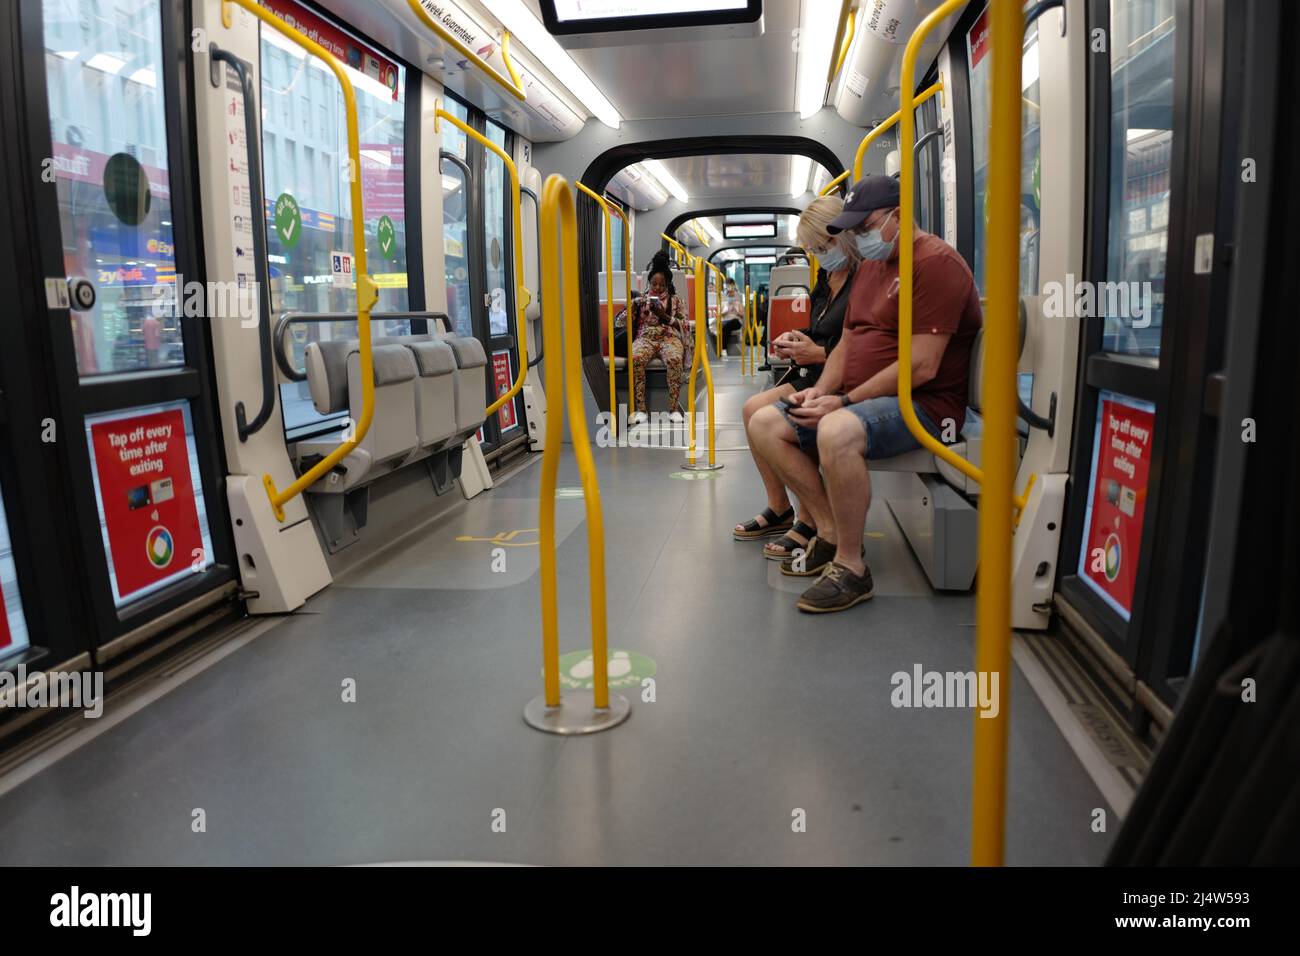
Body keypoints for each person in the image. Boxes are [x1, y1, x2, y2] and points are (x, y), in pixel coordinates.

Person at [749, 174, 983, 613]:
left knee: (835, 430)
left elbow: (922, 364)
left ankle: (852, 567)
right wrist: (818, 391)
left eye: (864, 227)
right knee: (764, 422)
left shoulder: (935, 264)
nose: (859, 238)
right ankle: (830, 529)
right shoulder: (875, 267)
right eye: (852, 230)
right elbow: (852, 340)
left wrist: (844, 402)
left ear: (897, 216)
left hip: (926, 405)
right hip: (862, 397)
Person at [732, 195, 858, 560]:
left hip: (840, 375)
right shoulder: (827, 275)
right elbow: (822, 326)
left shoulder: (863, 278)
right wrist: (796, 338)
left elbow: (857, 342)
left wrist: (818, 352)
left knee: (771, 420)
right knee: (750, 408)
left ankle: (812, 518)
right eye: (815, 248)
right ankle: (780, 508)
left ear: (844, 236)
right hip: (815, 369)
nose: (820, 254)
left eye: (824, 245)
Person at [630, 251, 690, 423]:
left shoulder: (677, 301)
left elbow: (683, 324)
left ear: (667, 285)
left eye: (661, 285)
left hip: (669, 338)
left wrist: (664, 316)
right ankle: (640, 408)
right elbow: (624, 323)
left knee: (674, 359)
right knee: (636, 358)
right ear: (649, 283)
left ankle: (674, 408)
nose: (657, 288)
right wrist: (633, 308)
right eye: (654, 284)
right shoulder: (641, 300)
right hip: (646, 337)